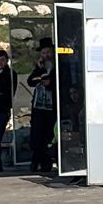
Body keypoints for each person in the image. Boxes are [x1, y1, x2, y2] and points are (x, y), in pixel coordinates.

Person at [26, 40, 57, 174]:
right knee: (37, 135)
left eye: (47, 52)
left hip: (51, 107)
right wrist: (39, 68)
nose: (46, 55)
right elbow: (30, 81)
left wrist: (49, 83)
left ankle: (46, 162)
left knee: (48, 135)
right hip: (39, 107)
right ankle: (37, 162)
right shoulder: (40, 67)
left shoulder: (57, 67)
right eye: (43, 53)